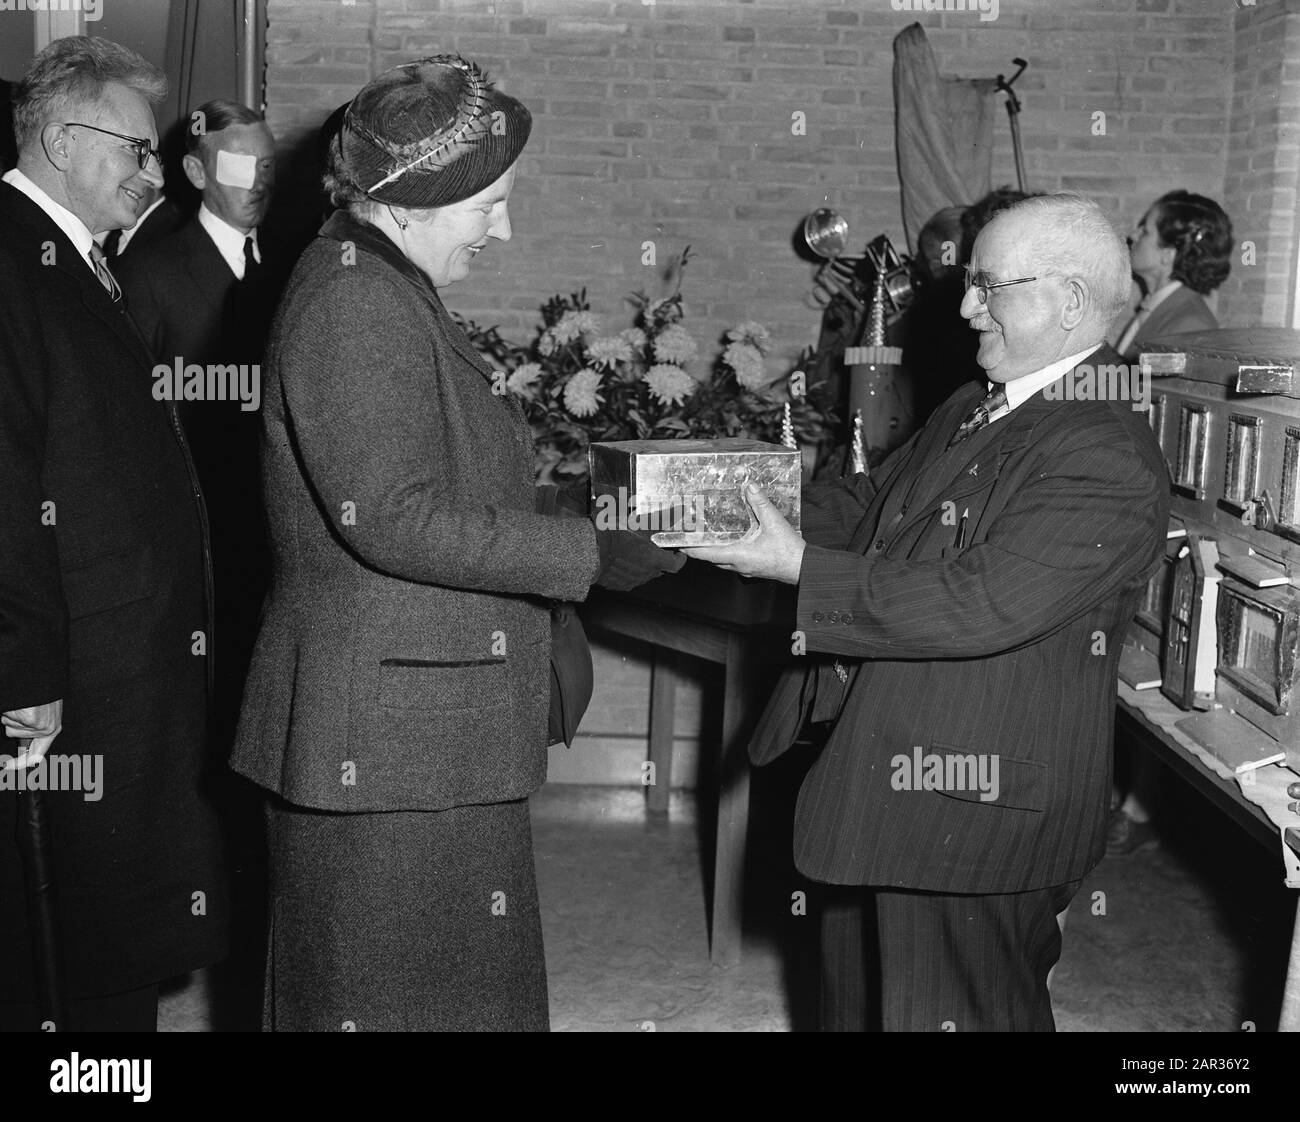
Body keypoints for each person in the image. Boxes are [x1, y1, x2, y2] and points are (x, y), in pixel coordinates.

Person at [228, 53, 681, 1031]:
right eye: (490, 203)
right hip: (387, 737)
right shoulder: (357, 304)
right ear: (416, 199)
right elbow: (394, 517)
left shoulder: (382, 282)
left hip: (414, 725)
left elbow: (441, 481)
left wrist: (590, 513)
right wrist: (591, 554)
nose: (502, 227)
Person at [685, 193, 1170, 1032]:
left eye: (988, 285)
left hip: (975, 807)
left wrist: (798, 568)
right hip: (878, 772)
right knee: (859, 1010)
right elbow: (870, 505)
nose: (966, 304)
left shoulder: (1104, 447)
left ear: (1070, 303)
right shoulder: (984, 400)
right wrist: (728, 496)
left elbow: (980, 602)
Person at [0, 35, 229, 1032]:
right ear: (59, 138)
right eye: (134, 151)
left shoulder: (71, 257)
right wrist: (22, 675)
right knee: (67, 942)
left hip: (115, 663)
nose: (151, 174)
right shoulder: (10, 259)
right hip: (67, 679)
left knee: (108, 926)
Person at [118, 100, 281, 743]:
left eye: (266, 166)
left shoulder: (291, 273)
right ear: (194, 170)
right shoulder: (149, 275)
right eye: (239, 165)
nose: (258, 181)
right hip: (190, 556)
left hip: (270, 546)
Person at [1116, 189, 1232, 360]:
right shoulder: (1158, 307)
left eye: (1145, 231)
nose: (1133, 235)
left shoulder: (1190, 325)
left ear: (1168, 255)